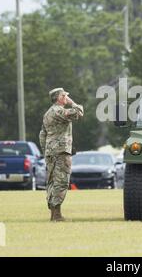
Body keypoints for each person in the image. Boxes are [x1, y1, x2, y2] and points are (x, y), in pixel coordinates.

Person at [39, 88, 84, 222]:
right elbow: (79, 112)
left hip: (51, 152)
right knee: (61, 182)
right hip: (60, 152)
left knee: (52, 182)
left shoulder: (48, 113)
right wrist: (73, 103)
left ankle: (54, 214)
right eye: (64, 96)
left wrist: (46, 150)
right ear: (59, 98)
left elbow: (42, 134)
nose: (66, 98)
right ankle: (57, 215)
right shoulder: (58, 111)